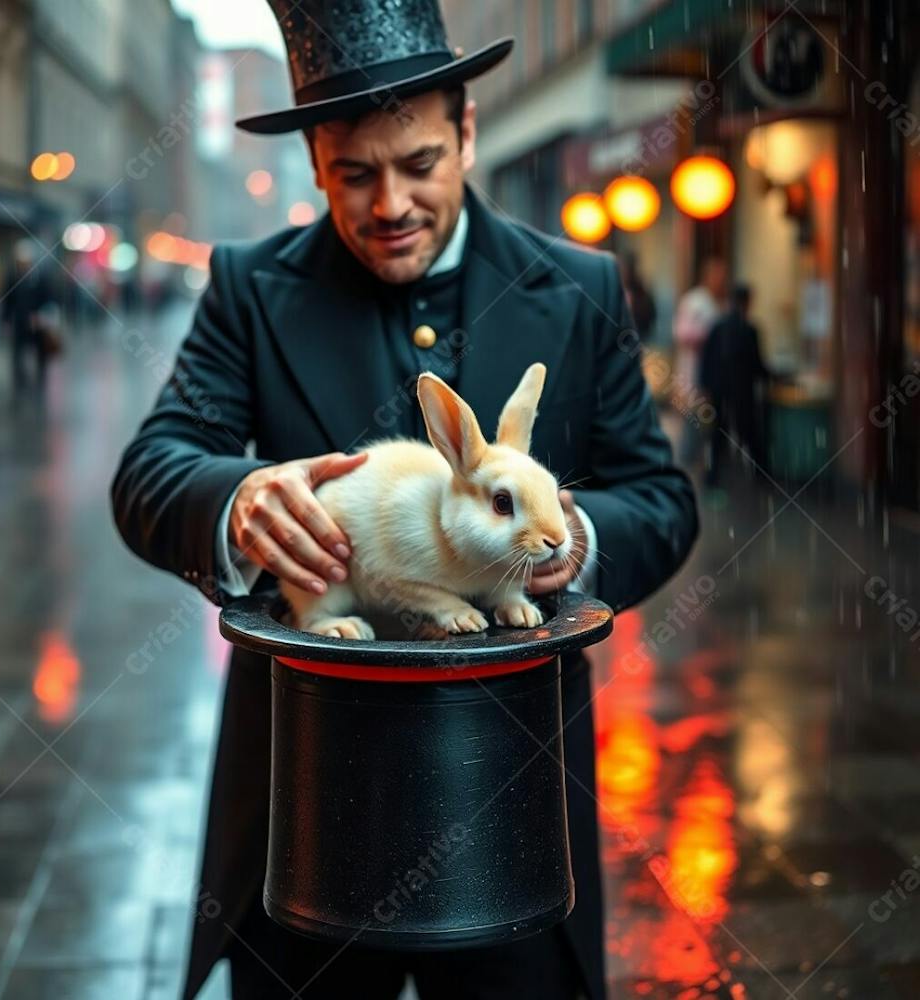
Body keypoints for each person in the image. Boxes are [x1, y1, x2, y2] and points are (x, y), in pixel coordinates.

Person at [111, 3, 698, 998]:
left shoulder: (580, 284)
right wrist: (239, 498)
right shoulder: (249, 288)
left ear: (467, 135)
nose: (390, 203)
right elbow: (151, 471)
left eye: (419, 162)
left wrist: (572, 538)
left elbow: (661, 498)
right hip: (300, 813)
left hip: (512, 804)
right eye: (354, 173)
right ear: (314, 164)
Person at [699, 283, 772, 487]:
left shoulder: (718, 327)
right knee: (748, 430)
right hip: (741, 390)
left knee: (717, 434)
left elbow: (706, 360)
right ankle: (761, 475)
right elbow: (757, 364)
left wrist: (705, 386)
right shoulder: (749, 330)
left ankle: (712, 477)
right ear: (747, 302)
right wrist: (772, 377)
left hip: (719, 388)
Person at [672, 255, 727, 462]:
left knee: (707, 420)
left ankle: (703, 461)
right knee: (692, 417)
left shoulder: (718, 302)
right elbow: (681, 332)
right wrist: (708, 336)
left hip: (711, 372)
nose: (721, 281)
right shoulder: (696, 301)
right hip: (693, 370)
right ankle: (687, 462)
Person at [2, 240, 52, 400]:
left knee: (40, 352)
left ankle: (40, 379)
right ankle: (20, 381)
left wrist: (40, 316)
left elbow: (49, 298)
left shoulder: (40, 278)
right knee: (17, 354)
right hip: (20, 322)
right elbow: (7, 301)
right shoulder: (12, 277)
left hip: (37, 323)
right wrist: (6, 320)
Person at [618, 252, 656, 343]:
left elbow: (650, 314)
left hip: (640, 338)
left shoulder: (640, 293)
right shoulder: (615, 291)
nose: (623, 272)